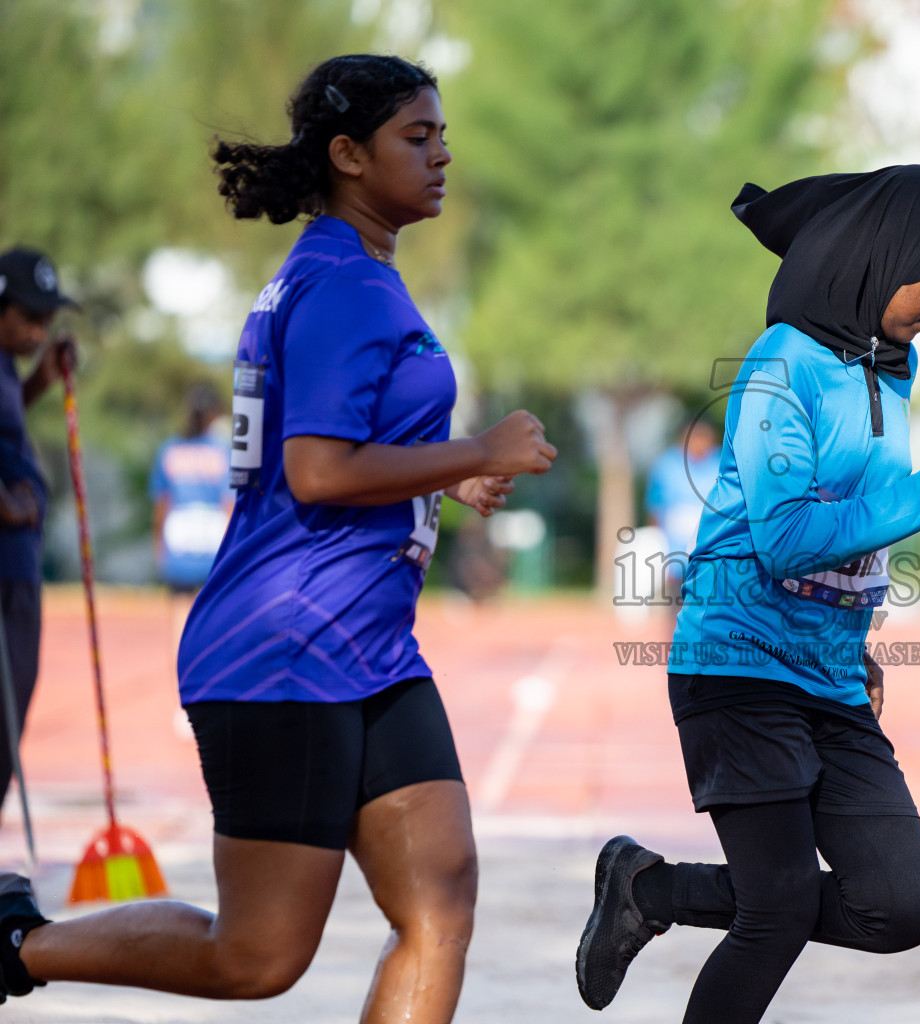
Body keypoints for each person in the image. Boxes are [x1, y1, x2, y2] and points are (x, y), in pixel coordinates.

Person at [0, 54, 558, 1021]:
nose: (442, 156)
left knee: (439, 891)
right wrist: (478, 442)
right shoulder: (345, 284)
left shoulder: (346, 274)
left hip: (370, 647)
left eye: (441, 136)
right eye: (416, 139)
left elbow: (345, 450)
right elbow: (318, 469)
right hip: (288, 648)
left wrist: (449, 476)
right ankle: (18, 945)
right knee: (256, 958)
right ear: (348, 154)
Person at [573, 165, 920, 1022]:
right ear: (881, 258)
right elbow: (787, 535)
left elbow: (856, 527)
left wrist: (854, 638)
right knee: (778, 910)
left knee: (901, 907)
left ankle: (649, 888)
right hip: (737, 665)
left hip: (829, 678)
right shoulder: (779, 364)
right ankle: (654, 892)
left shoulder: (887, 371)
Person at [0, 246, 76, 819]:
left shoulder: (6, 367)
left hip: (18, 565)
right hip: (4, 563)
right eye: (30, 316)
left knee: (13, 707)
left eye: (48, 318)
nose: (40, 330)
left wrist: (41, 380)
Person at [150, 383, 232, 595]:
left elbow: (162, 503)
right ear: (214, 413)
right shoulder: (223, 450)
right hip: (215, 536)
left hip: (179, 537)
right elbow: (229, 503)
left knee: (179, 604)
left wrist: (158, 543)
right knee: (213, 607)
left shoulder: (170, 448)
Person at [645, 420, 721, 599]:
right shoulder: (667, 465)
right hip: (675, 547)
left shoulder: (720, 462)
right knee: (676, 600)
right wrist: (659, 546)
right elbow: (655, 507)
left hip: (710, 544)